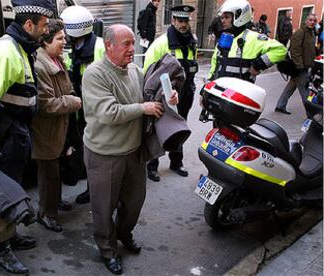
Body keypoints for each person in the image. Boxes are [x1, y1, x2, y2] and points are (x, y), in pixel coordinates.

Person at [81, 24, 178, 274]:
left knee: (134, 202)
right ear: (108, 46)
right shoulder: (95, 74)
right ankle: (107, 249)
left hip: (134, 152)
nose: (132, 49)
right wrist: (142, 108)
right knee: (104, 207)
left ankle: (124, 234)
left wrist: (168, 98)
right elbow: (108, 112)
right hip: (104, 154)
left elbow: (150, 97)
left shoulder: (135, 70)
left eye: (133, 43)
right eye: (126, 44)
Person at [0, 0, 54, 273]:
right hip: (5, 137)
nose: (46, 32)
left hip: (16, 134)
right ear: (28, 25)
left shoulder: (20, 47)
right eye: (43, 27)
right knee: (3, 196)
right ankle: (0, 250)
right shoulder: (4, 51)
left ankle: (10, 235)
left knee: (13, 190)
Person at [31, 19, 82, 233]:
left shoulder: (57, 59)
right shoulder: (40, 65)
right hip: (47, 130)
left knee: (56, 171)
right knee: (48, 173)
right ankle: (46, 214)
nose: (65, 41)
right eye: (60, 38)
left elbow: (65, 90)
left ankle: (55, 202)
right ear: (46, 40)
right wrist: (75, 102)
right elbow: (46, 104)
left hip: (61, 126)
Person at [143, 5, 198, 182]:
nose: (183, 24)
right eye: (180, 21)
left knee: (179, 127)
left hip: (185, 93)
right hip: (164, 95)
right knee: (159, 127)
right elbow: (148, 71)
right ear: (173, 21)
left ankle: (176, 162)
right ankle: (152, 166)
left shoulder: (191, 42)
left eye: (186, 21)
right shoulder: (161, 43)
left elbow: (191, 67)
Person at [60, 5, 105, 205]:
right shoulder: (72, 49)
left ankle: (96, 191)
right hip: (81, 112)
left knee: (98, 154)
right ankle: (90, 185)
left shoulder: (100, 47)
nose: (63, 36)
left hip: (98, 112)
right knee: (86, 151)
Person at [208, 0, 286, 83]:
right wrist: (208, 84)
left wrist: (257, 65)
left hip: (241, 92)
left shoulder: (253, 37)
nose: (222, 21)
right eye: (222, 17)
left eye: (227, 17)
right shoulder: (224, 39)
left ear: (239, 17)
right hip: (220, 91)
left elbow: (281, 50)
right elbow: (215, 66)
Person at [275, 14, 318, 115]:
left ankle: (280, 105)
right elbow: (295, 51)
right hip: (299, 67)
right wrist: (299, 66)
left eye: (314, 21)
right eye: (310, 20)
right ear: (306, 21)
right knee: (305, 91)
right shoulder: (300, 33)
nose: (312, 22)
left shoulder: (311, 33)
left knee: (291, 86)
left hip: (304, 66)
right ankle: (311, 114)